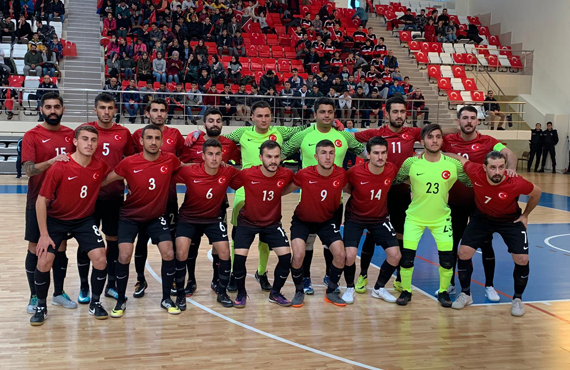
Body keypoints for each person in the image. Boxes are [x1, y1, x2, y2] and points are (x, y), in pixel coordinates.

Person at [281, 98, 366, 294]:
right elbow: (282, 153)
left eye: (330, 111)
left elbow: (366, 152)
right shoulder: (303, 135)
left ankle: (330, 275)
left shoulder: (344, 137)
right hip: (308, 202)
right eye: (322, 112)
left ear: (334, 114)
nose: (326, 115)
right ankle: (307, 277)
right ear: (315, 114)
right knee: (307, 243)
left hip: (335, 203)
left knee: (332, 245)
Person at [224, 101, 309, 291]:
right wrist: (197, 134)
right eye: (259, 116)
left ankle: (261, 273)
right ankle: (233, 273)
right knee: (237, 237)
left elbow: (301, 131)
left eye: (267, 115)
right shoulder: (242, 133)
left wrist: (324, 126)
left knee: (265, 240)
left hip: (268, 193)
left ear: (271, 117)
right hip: (245, 192)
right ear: (252, 117)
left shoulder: (279, 131)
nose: (263, 119)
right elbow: (220, 140)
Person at [30, 125, 110, 326]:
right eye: (84, 139)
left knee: (100, 259)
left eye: (93, 140)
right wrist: (43, 234)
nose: (89, 144)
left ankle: (96, 302)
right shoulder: (60, 165)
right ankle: (41, 305)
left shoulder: (100, 166)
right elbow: (41, 201)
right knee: (43, 261)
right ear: (75, 142)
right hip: (56, 220)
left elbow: (113, 176)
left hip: (84, 220)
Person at [102, 124, 183, 317]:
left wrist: (210, 166)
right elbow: (105, 179)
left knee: (168, 252)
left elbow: (186, 169)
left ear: (162, 141)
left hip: (156, 217)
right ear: (141, 141)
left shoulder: (170, 160)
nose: (153, 142)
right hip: (130, 217)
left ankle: (166, 298)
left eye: (157, 138)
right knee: (124, 255)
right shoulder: (129, 163)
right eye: (149, 138)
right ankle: (121, 300)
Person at [450, 151, 542, 317]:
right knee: (463, 252)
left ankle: (517, 299)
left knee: (522, 258)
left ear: (505, 167)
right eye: (493, 168)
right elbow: (460, 158)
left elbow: (537, 192)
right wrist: (434, 152)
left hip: (510, 220)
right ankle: (466, 294)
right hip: (482, 218)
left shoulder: (515, 182)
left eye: (501, 167)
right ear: (485, 168)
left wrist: (525, 215)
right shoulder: (475, 171)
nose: (497, 172)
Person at [442, 105, 518, 298]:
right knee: (452, 244)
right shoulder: (448, 140)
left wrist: (511, 170)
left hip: (481, 204)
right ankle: (450, 283)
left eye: (472, 118)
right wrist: (453, 127)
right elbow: (431, 133)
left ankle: (489, 285)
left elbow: (510, 154)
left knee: (486, 245)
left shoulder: (488, 141)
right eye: (465, 118)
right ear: (458, 121)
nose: (469, 121)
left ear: (478, 121)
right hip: (456, 203)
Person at [392, 123, 471, 307]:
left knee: (447, 258)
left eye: (437, 137)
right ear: (422, 141)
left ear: (442, 140)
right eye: (430, 137)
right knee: (407, 257)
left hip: (441, 218)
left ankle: (443, 292)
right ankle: (406, 290)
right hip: (414, 217)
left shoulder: (453, 165)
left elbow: (469, 183)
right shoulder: (411, 163)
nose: (434, 140)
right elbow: (397, 179)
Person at [75, 93, 135, 305]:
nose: (106, 112)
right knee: (86, 243)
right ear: (95, 110)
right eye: (102, 108)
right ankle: (84, 285)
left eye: (110, 108)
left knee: (113, 242)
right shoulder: (87, 131)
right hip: (88, 197)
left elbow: (130, 160)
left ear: (115, 110)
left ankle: (110, 285)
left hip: (114, 196)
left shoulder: (124, 133)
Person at [21, 93, 76, 317]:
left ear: (62, 109)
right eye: (48, 107)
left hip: (62, 204)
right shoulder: (32, 135)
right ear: (41, 109)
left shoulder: (71, 135)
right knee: (36, 247)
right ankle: (34, 295)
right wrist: (52, 162)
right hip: (37, 202)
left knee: (60, 248)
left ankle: (58, 293)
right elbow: (29, 170)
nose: (53, 111)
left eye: (56, 107)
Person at [178, 109, 240, 295]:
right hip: (194, 204)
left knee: (218, 245)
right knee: (192, 245)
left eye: (218, 120)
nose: (215, 124)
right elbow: (180, 165)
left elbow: (237, 165)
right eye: (211, 120)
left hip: (218, 204)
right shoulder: (193, 141)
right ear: (204, 123)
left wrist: (228, 167)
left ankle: (216, 280)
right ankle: (191, 280)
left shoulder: (229, 144)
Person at [283, 139, 348, 307]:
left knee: (341, 255)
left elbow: (356, 191)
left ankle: (331, 292)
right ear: (316, 156)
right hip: (302, 221)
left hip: (326, 220)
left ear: (335, 155)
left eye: (331, 153)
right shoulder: (305, 174)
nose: (327, 157)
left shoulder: (341, 175)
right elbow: (283, 190)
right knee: (298, 256)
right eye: (323, 153)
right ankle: (299, 291)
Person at [231, 140, 295, 308]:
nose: (273, 161)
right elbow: (228, 182)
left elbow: (295, 184)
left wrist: (278, 193)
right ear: (261, 157)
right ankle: (241, 293)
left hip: (272, 223)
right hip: (247, 222)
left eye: (276, 157)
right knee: (239, 259)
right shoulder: (247, 174)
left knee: (286, 257)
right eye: (268, 157)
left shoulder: (286, 174)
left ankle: (275, 293)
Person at [130, 100, 184, 297]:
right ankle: (140, 280)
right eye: (155, 110)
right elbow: (130, 161)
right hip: (142, 199)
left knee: (169, 242)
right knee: (141, 241)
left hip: (167, 198)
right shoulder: (137, 135)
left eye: (162, 110)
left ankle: (171, 281)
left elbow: (182, 162)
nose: (159, 114)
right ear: (147, 113)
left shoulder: (175, 134)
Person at [342, 137, 401, 304]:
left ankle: (379, 288)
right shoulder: (354, 171)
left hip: (379, 218)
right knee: (350, 254)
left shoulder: (391, 169)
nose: (380, 157)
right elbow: (347, 187)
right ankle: (349, 288)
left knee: (395, 255)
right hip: (355, 217)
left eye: (383, 153)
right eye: (376, 153)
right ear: (368, 154)